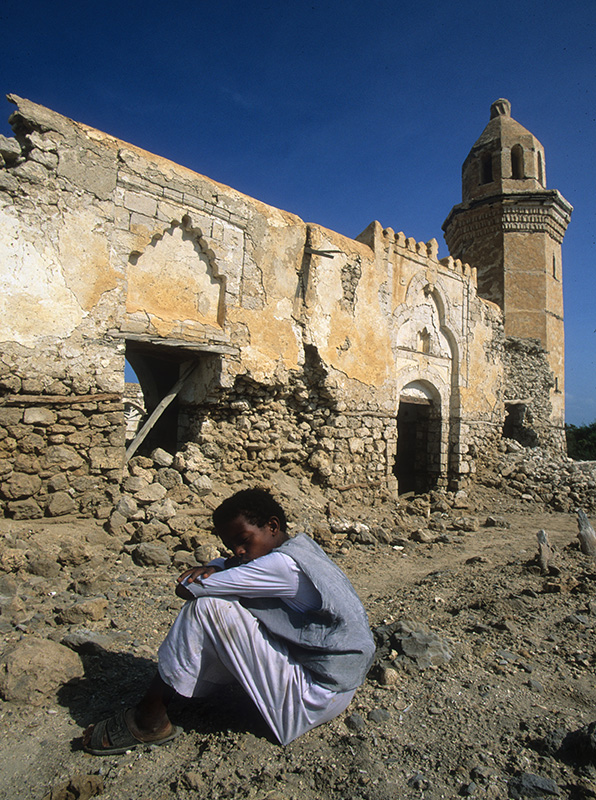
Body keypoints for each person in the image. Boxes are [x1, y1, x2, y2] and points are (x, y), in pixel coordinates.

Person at [84, 487, 375, 753]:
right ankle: (195, 687)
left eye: (244, 541)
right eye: (231, 546)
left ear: (272, 526)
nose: (238, 551)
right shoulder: (301, 549)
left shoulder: (279, 566)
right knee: (235, 607)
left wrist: (213, 569)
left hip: (312, 700)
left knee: (208, 608)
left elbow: (187, 588)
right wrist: (219, 566)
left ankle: (149, 719)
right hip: (338, 687)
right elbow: (231, 567)